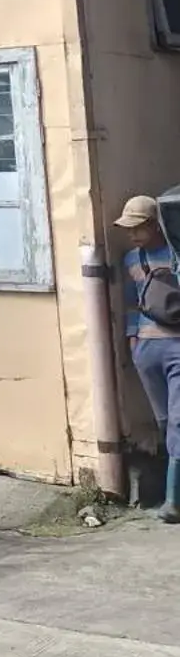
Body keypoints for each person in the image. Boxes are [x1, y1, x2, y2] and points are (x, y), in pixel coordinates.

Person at [116, 194, 180, 522]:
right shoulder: (129, 261)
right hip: (145, 349)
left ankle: (173, 502)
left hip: (176, 347)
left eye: (137, 228)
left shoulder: (175, 254)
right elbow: (129, 302)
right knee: (165, 422)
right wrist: (131, 338)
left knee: (178, 422)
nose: (131, 234)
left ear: (156, 225)